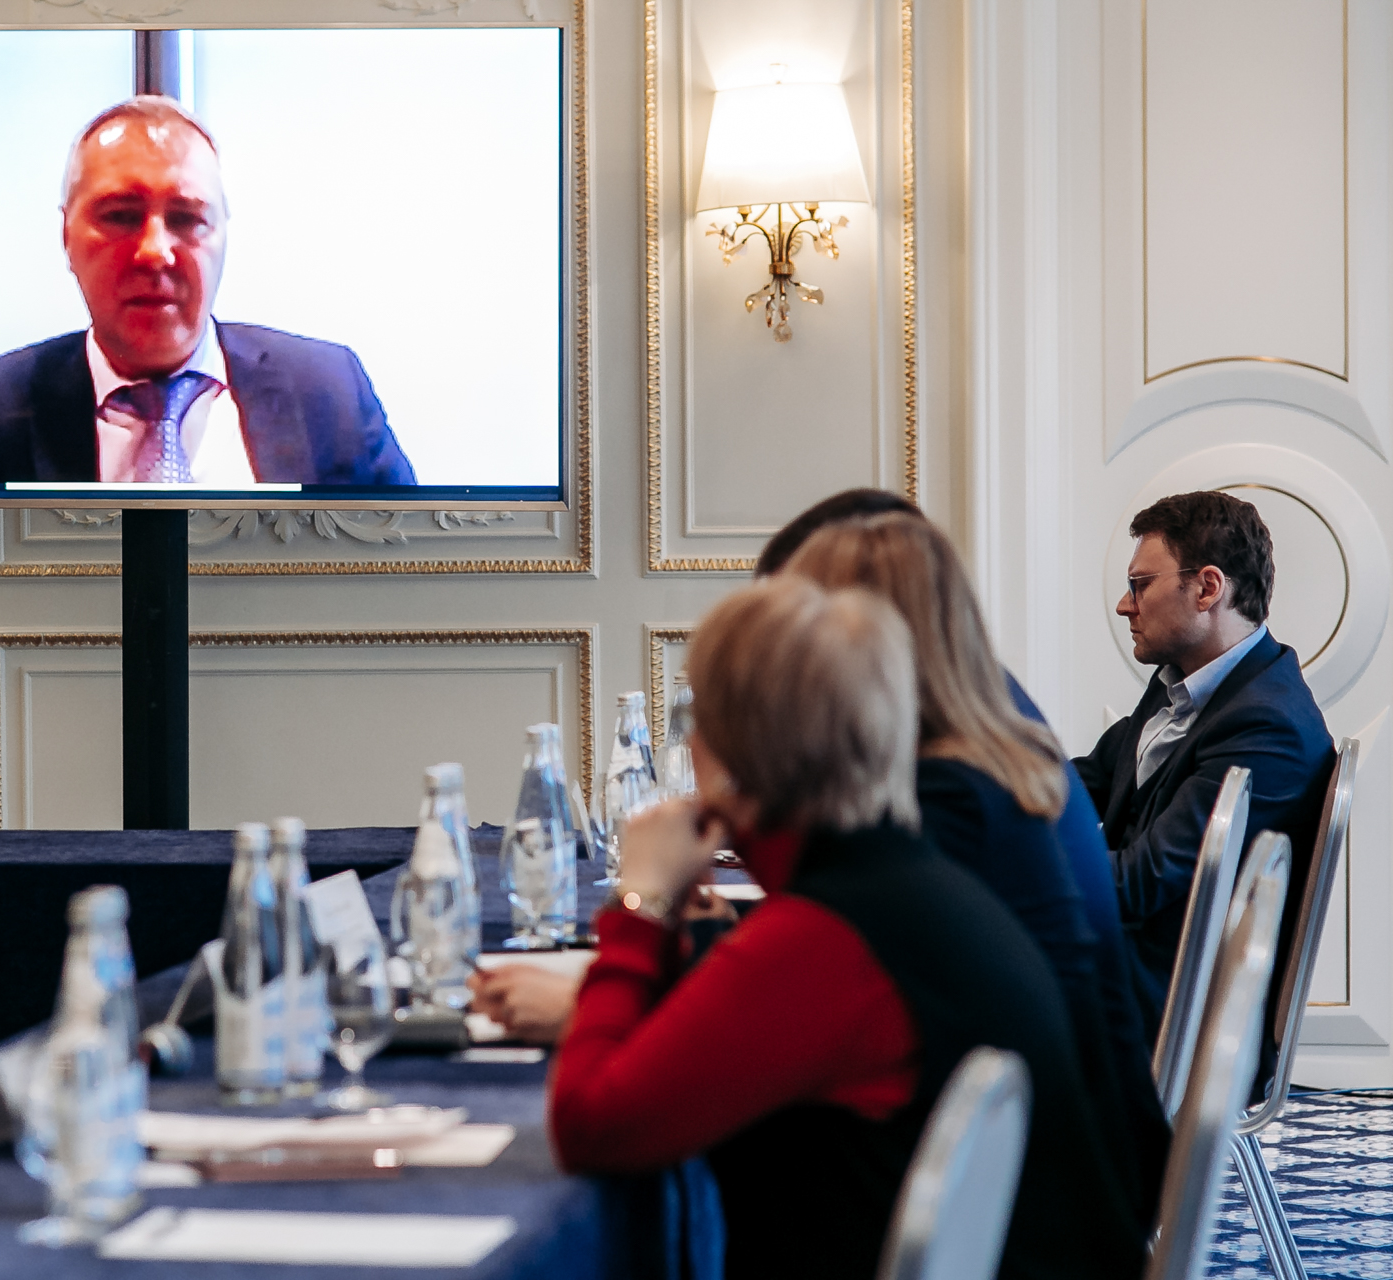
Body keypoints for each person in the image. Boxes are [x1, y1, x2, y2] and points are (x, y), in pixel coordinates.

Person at [549, 576, 1145, 1280]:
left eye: (695, 722)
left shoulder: (830, 935)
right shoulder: (907, 880)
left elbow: (590, 1125)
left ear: (740, 754)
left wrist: (640, 905)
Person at [785, 513, 1167, 1216]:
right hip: (1087, 1138)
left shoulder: (949, 796)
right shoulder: (989, 741)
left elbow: (817, 955)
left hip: (1047, 1191)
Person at [0, 97, 417, 487]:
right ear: (66, 237)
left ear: (224, 236)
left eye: (186, 218)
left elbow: (405, 567)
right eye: (120, 216)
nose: (154, 252)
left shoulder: (330, 392)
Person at [1073, 490, 1332, 1022]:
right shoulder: (1181, 683)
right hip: (1124, 967)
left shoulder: (1268, 725)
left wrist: (1015, 864)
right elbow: (1086, 782)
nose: (1125, 604)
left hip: (1165, 1009)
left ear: (1208, 588)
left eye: (1140, 584)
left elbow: (1143, 883)